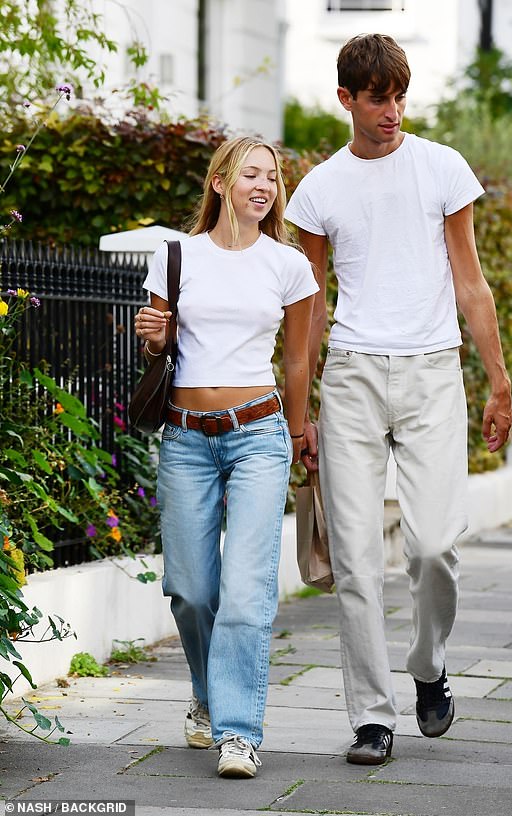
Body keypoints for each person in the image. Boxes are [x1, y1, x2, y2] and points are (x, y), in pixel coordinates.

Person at [285, 34, 512, 765]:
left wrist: (500, 381)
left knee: (435, 545)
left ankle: (429, 665)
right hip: (350, 376)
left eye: (399, 95)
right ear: (346, 99)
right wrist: (303, 409)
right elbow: (309, 309)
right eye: (376, 97)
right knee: (354, 558)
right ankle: (371, 718)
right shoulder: (319, 188)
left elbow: (471, 283)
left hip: (431, 372)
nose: (391, 110)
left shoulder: (441, 167)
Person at [133, 136, 318, 779]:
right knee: (190, 589)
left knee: (245, 591)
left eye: (272, 176)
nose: (264, 185)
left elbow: (297, 360)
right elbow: (157, 356)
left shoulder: (288, 266)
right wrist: (155, 340)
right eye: (251, 174)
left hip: (259, 436)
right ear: (220, 181)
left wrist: (297, 434)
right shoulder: (175, 257)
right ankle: (208, 696)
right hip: (185, 437)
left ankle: (237, 733)